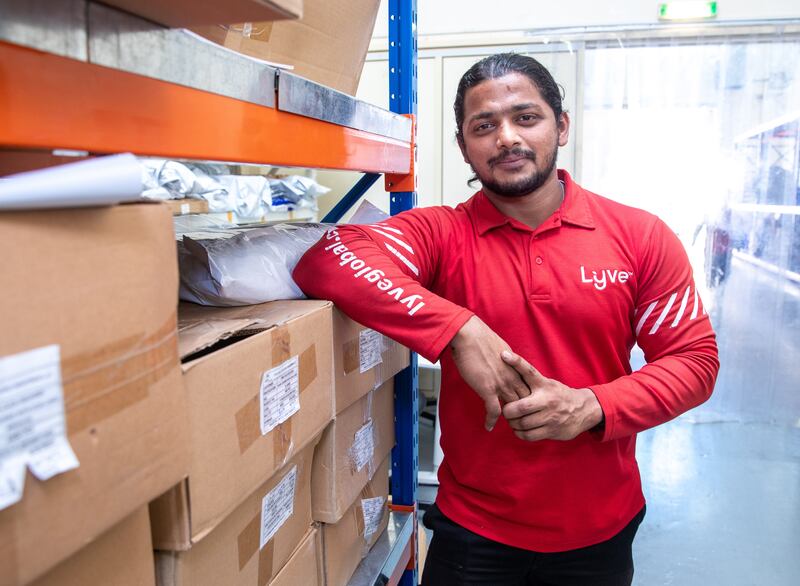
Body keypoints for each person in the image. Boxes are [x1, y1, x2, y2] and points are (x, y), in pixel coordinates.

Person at [293, 53, 719, 585]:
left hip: (599, 530)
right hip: (474, 534)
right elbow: (329, 257)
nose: (506, 138)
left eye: (526, 117)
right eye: (484, 126)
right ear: (464, 146)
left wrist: (591, 406)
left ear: (560, 127)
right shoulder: (443, 235)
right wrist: (456, 328)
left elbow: (694, 361)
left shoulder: (639, 236)